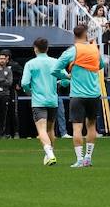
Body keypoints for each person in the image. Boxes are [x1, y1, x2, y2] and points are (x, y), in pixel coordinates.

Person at [54, 24, 104, 168]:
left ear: (74, 35)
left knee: (77, 128)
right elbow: (101, 66)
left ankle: (80, 159)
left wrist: (67, 76)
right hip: (94, 93)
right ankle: (88, 157)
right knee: (91, 126)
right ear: (86, 34)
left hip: (77, 94)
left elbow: (55, 69)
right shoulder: (94, 49)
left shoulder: (72, 50)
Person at [19, 38, 62, 166]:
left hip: (39, 101)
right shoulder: (55, 62)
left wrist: (29, 91)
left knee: (42, 130)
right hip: (52, 100)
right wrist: (58, 84)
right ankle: (49, 154)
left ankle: (50, 154)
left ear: (35, 48)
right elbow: (65, 78)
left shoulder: (31, 64)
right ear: (47, 48)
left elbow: (24, 83)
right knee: (50, 129)